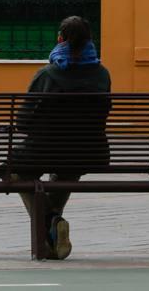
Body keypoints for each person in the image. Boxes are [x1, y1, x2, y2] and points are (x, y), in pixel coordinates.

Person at [12, 15, 111, 260]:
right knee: (68, 168)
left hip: (43, 151)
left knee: (16, 171)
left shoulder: (46, 74)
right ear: (90, 41)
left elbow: (22, 123)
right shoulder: (102, 75)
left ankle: (50, 221)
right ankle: (53, 230)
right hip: (87, 152)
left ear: (60, 39)